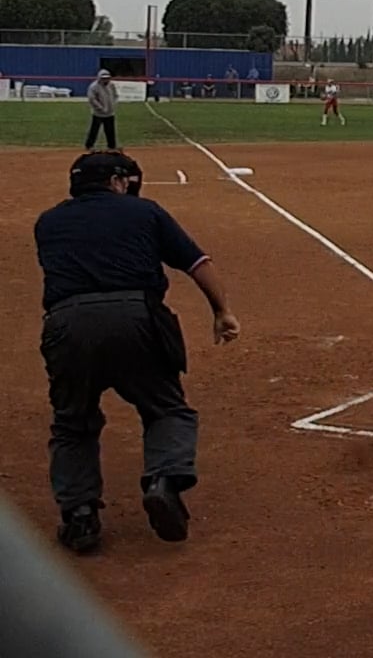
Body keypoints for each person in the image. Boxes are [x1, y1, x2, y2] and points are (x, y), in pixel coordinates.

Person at [34, 152, 240, 553]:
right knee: (166, 409)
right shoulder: (145, 212)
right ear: (117, 181)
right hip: (137, 318)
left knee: (72, 423)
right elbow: (197, 263)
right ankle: (163, 480)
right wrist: (222, 311)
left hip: (66, 323)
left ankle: (80, 516)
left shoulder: (48, 222)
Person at [84, 70, 118, 151]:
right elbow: (92, 99)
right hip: (98, 113)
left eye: (107, 78)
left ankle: (111, 146)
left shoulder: (111, 85)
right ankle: (89, 145)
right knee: (94, 130)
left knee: (110, 130)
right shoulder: (93, 87)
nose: (105, 80)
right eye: (103, 78)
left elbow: (115, 95)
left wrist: (113, 105)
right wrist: (101, 108)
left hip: (110, 113)